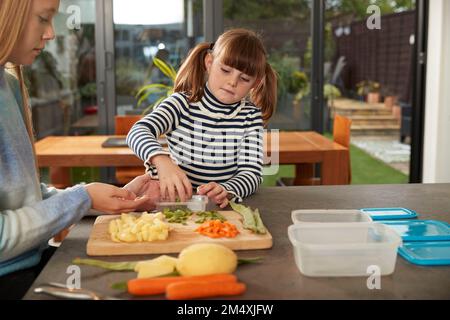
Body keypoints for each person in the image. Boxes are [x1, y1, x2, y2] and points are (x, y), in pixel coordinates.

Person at [0, 0, 160, 294]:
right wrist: (82, 198)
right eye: (43, 19)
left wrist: (98, 197)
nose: (50, 33)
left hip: (31, 263)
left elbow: (25, 200)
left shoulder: (8, 86)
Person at [127, 28, 277, 208]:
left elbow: (251, 173)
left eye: (244, 78)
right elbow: (138, 131)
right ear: (209, 62)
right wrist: (161, 159)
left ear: (256, 82)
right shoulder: (181, 104)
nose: (232, 82)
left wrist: (227, 189)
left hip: (218, 210)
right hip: (173, 204)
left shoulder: (250, 117)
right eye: (225, 70)